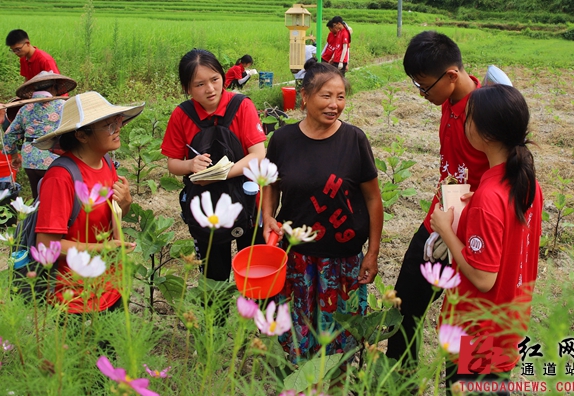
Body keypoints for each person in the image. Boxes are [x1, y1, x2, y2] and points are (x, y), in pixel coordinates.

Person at [262, 60, 383, 363]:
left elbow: (373, 199)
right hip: (297, 256)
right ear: (304, 97)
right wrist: (267, 216)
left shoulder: (354, 140)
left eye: (340, 96)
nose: (335, 105)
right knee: (298, 330)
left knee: (339, 338)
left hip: (342, 258)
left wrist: (373, 252)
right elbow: (271, 185)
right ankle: (301, 386)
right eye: (326, 96)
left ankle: (336, 385)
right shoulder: (283, 140)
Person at [430, 84, 542, 396]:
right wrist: (477, 203)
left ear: (485, 135)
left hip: (476, 334)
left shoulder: (489, 197)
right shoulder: (526, 182)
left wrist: (447, 229)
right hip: (508, 323)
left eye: (469, 119)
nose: (464, 124)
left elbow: (482, 277)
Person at [386, 31, 489, 369]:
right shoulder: (448, 99)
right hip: (439, 217)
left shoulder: (486, 116)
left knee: (461, 320)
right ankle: (399, 380)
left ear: (451, 76)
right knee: (404, 302)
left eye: (424, 86)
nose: (421, 94)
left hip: (470, 231)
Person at [161, 49, 266, 282]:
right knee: (214, 277)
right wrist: (190, 164)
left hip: (248, 203)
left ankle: (252, 316)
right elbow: (173, 164)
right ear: (187, 88)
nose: (210, 89)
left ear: (223, 77)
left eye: (215, 79)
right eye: (199, 84)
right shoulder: (181, 115)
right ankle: (215, 318)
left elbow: (258, 155)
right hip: (206, 208)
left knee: (254, 273)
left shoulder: (241, 106)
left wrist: (220, 174)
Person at [33, 91, 142, 313]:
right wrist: (100, 249)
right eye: (108, 126)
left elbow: (113, 216)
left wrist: (125, 202)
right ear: (82, 136)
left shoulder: (106, 163)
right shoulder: (61, 177)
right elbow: (45, 245)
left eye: (118, 121)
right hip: (76, 298)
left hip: (112, 287)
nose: (118, 129)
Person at [3, 71, 77, 199]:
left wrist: (15, 156)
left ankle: (35, 217)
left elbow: (9, 135)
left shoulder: (25, 108)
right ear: (53, 87)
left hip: (30, 158)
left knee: (37, 197)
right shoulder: (63, 106)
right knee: (54, 197)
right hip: (54, 157)